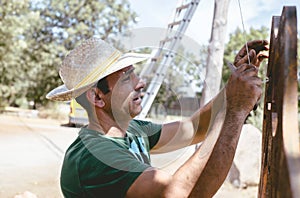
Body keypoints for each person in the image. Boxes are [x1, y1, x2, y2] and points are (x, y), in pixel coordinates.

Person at [46, 37, 268, 197]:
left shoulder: (132, 131)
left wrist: (234, 87)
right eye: (126, 79)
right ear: (97, 97)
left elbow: (193, 128)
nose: (140, 83)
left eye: (134, 73)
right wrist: (237, 110)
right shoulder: (94, 158)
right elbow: (180, 194)